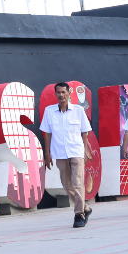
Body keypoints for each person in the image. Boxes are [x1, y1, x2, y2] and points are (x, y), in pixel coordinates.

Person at [39, 82, 96, 228]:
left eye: (64, 92)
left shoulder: (78, 110)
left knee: (78, 183)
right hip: (59, 152)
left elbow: (85, 132)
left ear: (69, 92)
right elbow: (47, 134)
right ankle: (86, 208)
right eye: (58, 92)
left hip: (76, 151)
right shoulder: (49, 111)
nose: (61, 95)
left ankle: (79, 215)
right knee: (67, 185)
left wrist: (85, 149)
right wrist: (47, 154)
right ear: (55, 94)